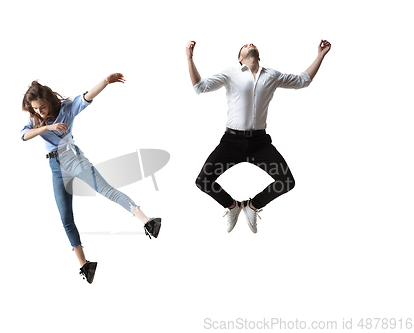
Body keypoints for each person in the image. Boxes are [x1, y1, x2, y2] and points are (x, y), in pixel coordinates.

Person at [20, 74, 161, 284]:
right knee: (65, 217)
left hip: (73, 159)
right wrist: (46, 126)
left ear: (49, 101)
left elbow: (86, 97)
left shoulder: (67, 108)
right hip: (55, 167)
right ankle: (85, 266)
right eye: (36, 109)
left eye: (42, 107)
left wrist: (105, 81)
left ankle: (148, 222)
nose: (39, 112)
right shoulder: (36, 120)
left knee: (106, 190)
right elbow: (23, 136)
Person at [186, 39, 331, 234]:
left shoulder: (271, 75)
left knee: (286, 181)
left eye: (252, 44)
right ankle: (233, 206)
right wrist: (189, 58)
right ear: (240, 58)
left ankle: (252, 206)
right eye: (245, 45)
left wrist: (320, 56)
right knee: (203, 181)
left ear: (259, 57)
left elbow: (302, 81)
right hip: (231, 142)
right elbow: (200, 87)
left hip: (259, 143)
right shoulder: (231, 73)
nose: (250, 43)